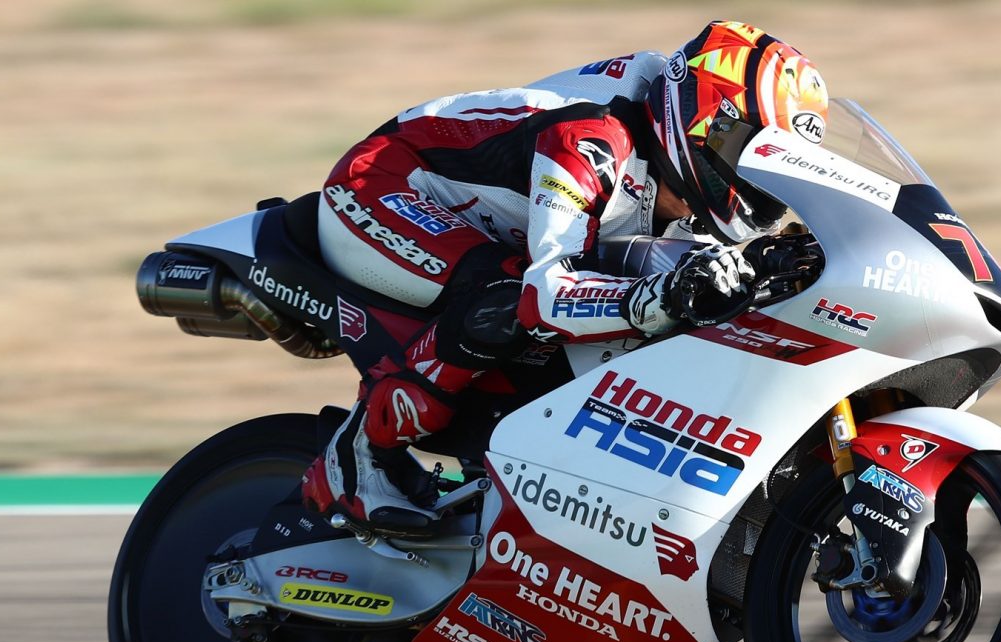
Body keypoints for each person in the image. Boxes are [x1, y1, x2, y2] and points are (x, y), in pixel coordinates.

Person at [301, 20, 829, 525]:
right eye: (750, 153)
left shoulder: (675, 164)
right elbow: (549, 295)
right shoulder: (592, 136)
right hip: (383, 186)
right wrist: (664, 295)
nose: (761, 181)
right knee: (505, 298)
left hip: (492, 224)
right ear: (705, 122)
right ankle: (359, 453)